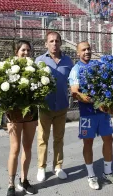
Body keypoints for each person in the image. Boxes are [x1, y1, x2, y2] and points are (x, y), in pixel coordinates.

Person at [68, 41, 113, 190]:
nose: (87, 51)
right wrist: (89, 99)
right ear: (78, 53)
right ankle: (91, 175)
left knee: (108, 140)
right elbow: (75, 92)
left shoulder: (98, 66)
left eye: (89, 49)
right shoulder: (75, 69)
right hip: (87, 114)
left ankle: (108, 172)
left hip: (103, 113)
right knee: (88, 143)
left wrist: (109, 103)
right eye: (83, 50)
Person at [35, 31, 74, 182]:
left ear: (61, 43)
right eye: (51, 41)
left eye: (57, 41)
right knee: (42, 139)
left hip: (62, 106)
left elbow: (73, 81)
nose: (54, 43)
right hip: (45, 106)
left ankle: (57, 167)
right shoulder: (39, 61)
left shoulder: (68, 61)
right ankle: (41, 168)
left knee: (59, 138)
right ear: (46, 44)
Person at [6, 40, 37, 196]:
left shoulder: (35, 69)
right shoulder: (8, 69)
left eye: (28, 50)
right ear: (16, 51)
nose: (26, 53)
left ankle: (24, 180)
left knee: (27, 147)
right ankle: (11, 185)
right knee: (15, 149)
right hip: (14, 114)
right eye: (23, 50)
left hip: (31, 113)